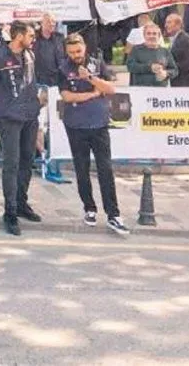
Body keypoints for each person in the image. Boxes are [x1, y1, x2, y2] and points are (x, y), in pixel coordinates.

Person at [57, 34, 129, 235]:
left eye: (78, 51)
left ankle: (113, 214)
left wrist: (89, 78)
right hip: (76, 126)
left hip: (99, 125)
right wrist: (91, 94)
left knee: (105, 169)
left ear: (84, 48)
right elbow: (67, 96)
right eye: (71, 52)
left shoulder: (97, 64)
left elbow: (110, 89)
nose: (75, 56)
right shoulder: (63, 69)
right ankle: (89, 208)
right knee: (82, 169)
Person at [0, 21, 41, 236]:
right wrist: (0, 104)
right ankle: (9, 211)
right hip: (9, 116)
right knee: (11, 163)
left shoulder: (30, 55)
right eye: (30, 34)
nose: (32, 38)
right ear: (18, 35)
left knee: (28, 160)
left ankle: (21, 202)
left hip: (30, 114)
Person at [163, 13, 189, 87]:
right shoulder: (174, 39)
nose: (166, 25)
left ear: (178, 25)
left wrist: (170, 67)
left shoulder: (186, 39)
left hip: (185, 84)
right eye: (166, 22)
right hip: (176, 83)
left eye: (169, 22)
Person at [32, 13, 65, 88]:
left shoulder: (60, 38)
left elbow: (65, 57)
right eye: (48, 21)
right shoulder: (33, 37)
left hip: (57, 80)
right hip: (38, 81)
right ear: (41, 23)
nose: (52, 24)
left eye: (53, 21)